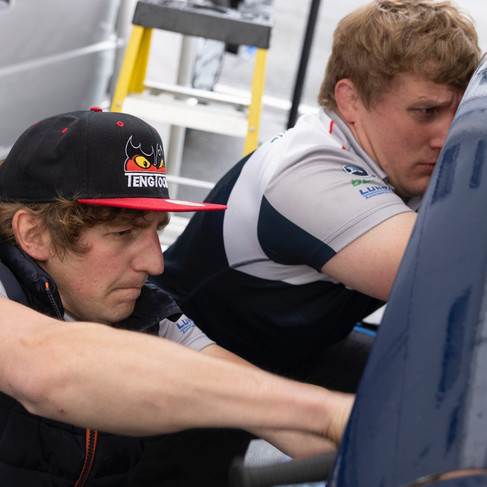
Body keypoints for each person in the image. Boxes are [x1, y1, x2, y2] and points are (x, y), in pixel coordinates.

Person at [0, 108, 352, 486]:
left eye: (156, 231)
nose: (155, 263)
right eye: (122, 233)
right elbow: (47, 367)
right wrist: (326, 413)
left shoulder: (147, 315)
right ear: (34, 234)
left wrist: (366, 436)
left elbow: (260, 402)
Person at [151, 1, 481, 383]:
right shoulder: (306, 172)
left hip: (292, 351)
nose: (446, 136)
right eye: (425, 112)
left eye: (459, 112)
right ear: (351, 100)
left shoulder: (402, 159)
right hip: (182, 367)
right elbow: (455, 281)